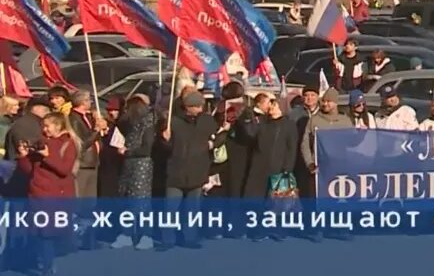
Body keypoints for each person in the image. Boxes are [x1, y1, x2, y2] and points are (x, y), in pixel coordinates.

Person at [162, 91, 227, 248]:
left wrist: (212, 144)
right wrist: (165, 140)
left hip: (198, 170)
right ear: (187, 107)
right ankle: (167, 239)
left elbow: (221, 134)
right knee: (171, 208)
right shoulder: (173, 121)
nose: (200, 109)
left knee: (193, 209)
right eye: (196, 106)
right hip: (176, 171)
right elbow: (166, 149)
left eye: (201, 106)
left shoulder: (206, 120)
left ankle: (190, 238)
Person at [17, 114, 78, 276]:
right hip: (36, 192)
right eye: (43, 126)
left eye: (48, 126)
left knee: (47, 233)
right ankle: (43, 262)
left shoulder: (68, 144)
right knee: (37, 232)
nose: (44, 129)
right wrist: (24, 156)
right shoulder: (42, 143)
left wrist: (47, 155)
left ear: (59, 126)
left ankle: (48, 266)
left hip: (54, 194)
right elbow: (29, 170)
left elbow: (64, 169)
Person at [114, 94, 157, 250]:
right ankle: (127, 234)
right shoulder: (128, 123)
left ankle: (146, 235)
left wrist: (127, 152)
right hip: (131, 164)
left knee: (141, 202)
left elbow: (147, 148)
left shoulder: (147, 122)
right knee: (128, 199)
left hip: (141, 165)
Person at [243, 94, 299, 199]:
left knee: (275, 200)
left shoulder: (288, 124)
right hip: (259, 166)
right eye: (270, 104)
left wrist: (287, 168)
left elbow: (291, 148)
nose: (271, 107)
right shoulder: (263, 121)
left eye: (274, 104)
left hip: (278, 168)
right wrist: (250, 116)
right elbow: (250, 133)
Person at [302, 89, 354, 175]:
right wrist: (310, 163)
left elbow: (352, 143)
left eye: (329, 101)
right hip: (320, 168)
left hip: (341, 167)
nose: (325, 104)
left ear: (336, 103)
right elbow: (305, 143)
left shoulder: (345, 121)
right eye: (324, 101)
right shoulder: (314, 120)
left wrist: (361, 134)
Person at [68, 90, 102, 198]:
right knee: (81, 194)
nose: (91, 102)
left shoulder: (88, 116)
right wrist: (96, 130)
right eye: (89, 100)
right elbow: (81, 143)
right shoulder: (74, 119)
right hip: (83, 162)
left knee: (91, 197)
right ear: (83, 102)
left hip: (93, 161)